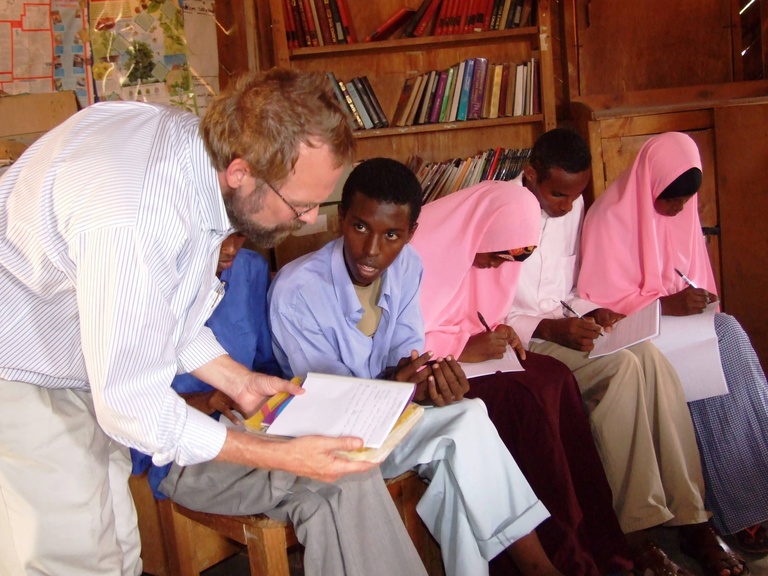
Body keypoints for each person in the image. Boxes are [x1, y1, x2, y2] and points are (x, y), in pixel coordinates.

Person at [0, 69, 424, 576]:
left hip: (76, 360)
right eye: (300, 204)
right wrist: (281, 457)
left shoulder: (196, 156)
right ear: (242, 172)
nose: (311, 220)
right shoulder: (136, 216)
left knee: (115, 548)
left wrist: (238, 380)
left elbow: (163, 314)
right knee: (69, 558)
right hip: (20, 367)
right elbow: (134, 406)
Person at [269, 157, 562, 576]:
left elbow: (409, 355)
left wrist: (427, 384)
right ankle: (537, 566)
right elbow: (330, 403)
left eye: (391, 235)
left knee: (458, 446)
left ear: (411, 235)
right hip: (330, 441)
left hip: (390, 419)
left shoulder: (408, 267)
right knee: (464, 425)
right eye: (360, 227)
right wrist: (397, 387)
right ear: (340, 220)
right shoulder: (296, 291)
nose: (372, 250)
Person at [505, 128, 738, 576]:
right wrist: (553, 327)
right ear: (530, 175)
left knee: (651, 358)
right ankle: (636, 529)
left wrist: (598, 312)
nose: (568, 206)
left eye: (575, 196)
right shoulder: (501, 209)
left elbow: (568, 289)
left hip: (565, 322)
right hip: (524, 336)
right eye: (558, 195)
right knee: (623, 371)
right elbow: (488, 310)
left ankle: (692, 517)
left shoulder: (570, 205)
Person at [130, 233, 426, 576]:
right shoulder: (150, 279)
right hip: (185, 457)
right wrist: (206, 399)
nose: (229, 247)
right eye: (217, 235)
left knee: (324, 498)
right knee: (340, 476)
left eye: (238, 234)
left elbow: (265, 367)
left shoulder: (249, 270)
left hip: (253, 428)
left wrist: (266, 400)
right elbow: (136, 407)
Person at [579, 131, 768, 571]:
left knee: (732, 339)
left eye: (686, 202)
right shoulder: (609, 217)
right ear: (649, 186)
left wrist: (696, 300)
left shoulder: (681, 211)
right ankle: (734, 510)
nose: (678, 210)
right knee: (703, 362)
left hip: (682, 325)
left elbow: (692, 274)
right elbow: (597, 302)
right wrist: (664, 305)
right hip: (634, 330)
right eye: (669, 202)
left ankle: (755, 489)